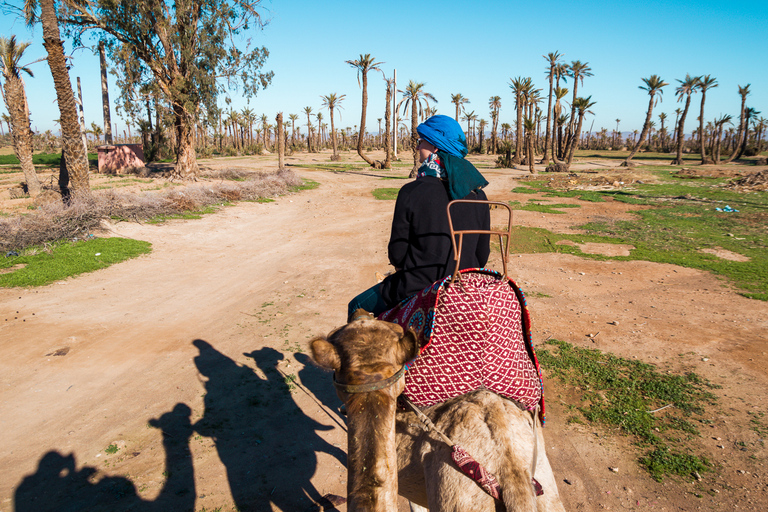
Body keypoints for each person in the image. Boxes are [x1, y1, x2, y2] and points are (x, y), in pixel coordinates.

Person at [348, 114, 491, 320]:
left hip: (418, 288)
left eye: (420, 141)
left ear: (435, 147)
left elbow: (397, 254)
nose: (417, 147)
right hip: (463, 286)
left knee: (357, 306)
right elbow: (482, 255)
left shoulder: (411, 192)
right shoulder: (479, 195)